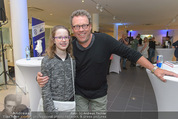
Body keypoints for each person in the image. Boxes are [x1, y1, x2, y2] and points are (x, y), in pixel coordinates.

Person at [37, 9, 178, 113]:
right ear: (73, 29)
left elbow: (130, 53)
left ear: (90, 26)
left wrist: (154, 68)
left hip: (100, 94)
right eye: (76, 27)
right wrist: (41, 77)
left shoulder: (104, 40)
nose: (81, 30)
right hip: (79, 94)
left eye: (84, 25)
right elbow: (57, 63)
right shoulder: (70, 45)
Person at [40, 25, 75, 115]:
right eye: (59, 37)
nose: (63, 40)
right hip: (54, 105)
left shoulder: (72, 59)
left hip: (70, 105)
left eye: (66, 37)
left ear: (69, 39)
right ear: (54, 40)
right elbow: (45, 88)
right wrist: (50, 111)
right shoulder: (47, 60)